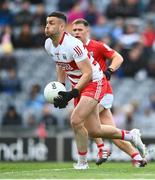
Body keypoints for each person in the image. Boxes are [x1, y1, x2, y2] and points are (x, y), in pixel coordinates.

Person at [44, 11, 146, 170]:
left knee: (76, 120)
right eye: (47, 22)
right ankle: (131, 136)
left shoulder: (75, 45)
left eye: (51, 23)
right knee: (94, 130)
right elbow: (60, 64)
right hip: (80, 86)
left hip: (94, 82)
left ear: (62, 26)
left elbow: (89, 73)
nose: (47, 26)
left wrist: (72, 93)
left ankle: (83, 162)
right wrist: (61, 89)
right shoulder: (49, 44)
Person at [71, 18, 147, 167]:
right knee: (108, 132)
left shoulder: (97, 46)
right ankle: (138, 156)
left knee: (82, 121)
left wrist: (110, 70)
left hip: (101, 90)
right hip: (87, 92)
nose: (77, 33)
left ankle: (101, 149)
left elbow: (118, 57)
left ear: (87, 31)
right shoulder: (72, 48)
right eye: (74, 30)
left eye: (80, 30)